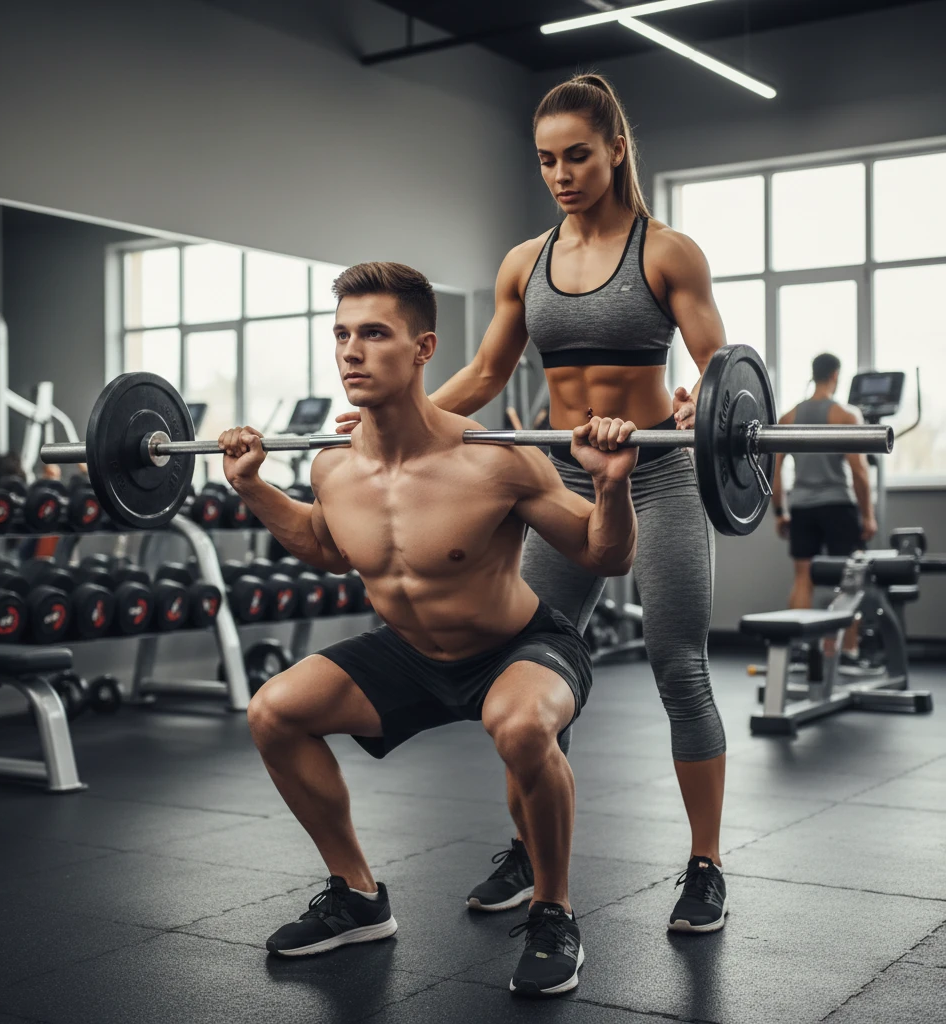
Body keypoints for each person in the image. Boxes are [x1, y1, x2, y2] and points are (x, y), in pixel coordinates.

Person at [336, 73, 729, 932]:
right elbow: (485, 373)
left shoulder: (667, 253)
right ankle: (531, 851)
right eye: (547, 160)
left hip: (658, 473)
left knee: (679, 665)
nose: (560, 174)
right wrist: (392, 416)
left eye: (577, 156)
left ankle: (705, 865)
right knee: (535, 665)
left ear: (616, 149)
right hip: (562, 478)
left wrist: (703, 397)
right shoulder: (526, 261)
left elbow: (720, 367)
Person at [220, 261, 638, 997]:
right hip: (410, 653)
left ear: (423, 348)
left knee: (520, 727)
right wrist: (253, 486)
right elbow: (323, 545)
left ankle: (553, 912)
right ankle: (357, 897)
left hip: (519, 646)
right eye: (341, 335)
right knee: (273, 711)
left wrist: (610, 484)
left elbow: (604, 554)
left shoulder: (495, 460)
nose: (351, 352)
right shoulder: (332, 468)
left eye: (374, 334)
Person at [772, 353, 876, 659]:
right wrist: (868, 515)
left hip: (802, 507)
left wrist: (780, 512)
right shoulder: (845, 415)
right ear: (835, 375)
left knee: (803, 576)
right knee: (850, 578)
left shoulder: (788, 417)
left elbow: (774, 473)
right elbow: (859, 471)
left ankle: (801, 648)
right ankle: (848, 649)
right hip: (838, 506)